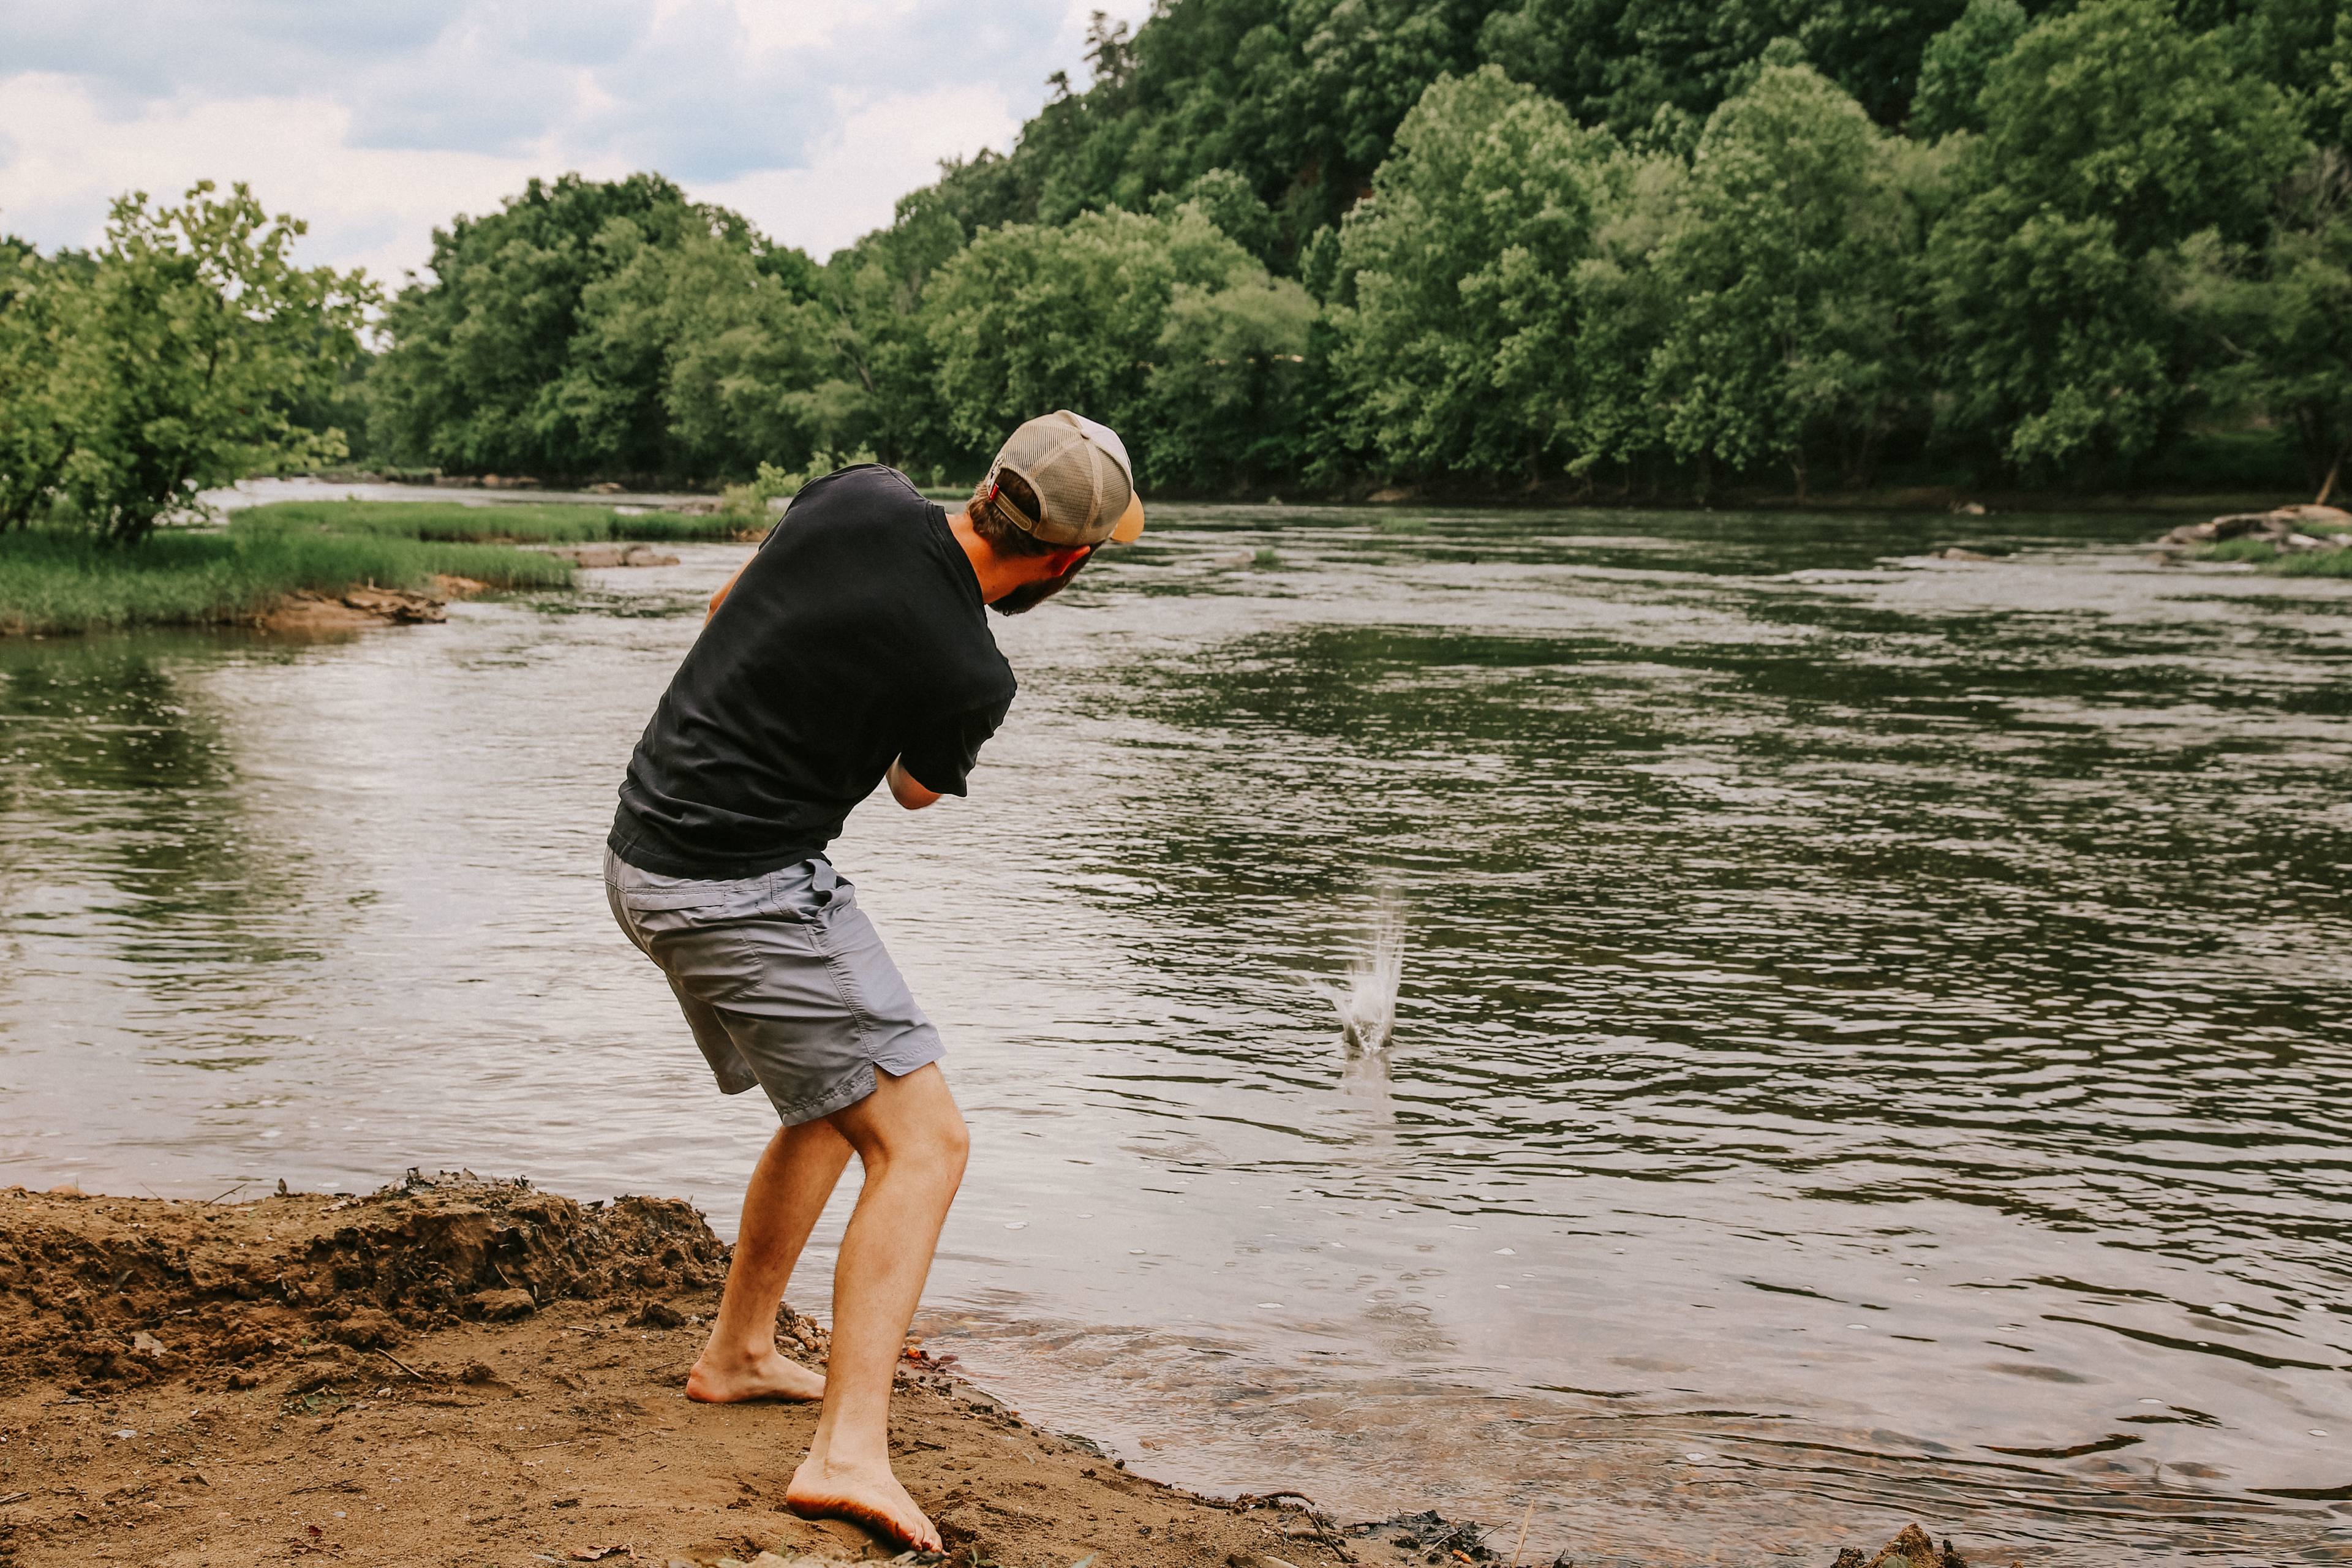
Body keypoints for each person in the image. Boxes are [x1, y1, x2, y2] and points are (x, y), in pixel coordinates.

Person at [601, 412, 1147, 1552]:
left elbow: (726, 608)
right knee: (926, 1141)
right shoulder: (972, 671)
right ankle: (847, 1454)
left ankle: (740, 1353)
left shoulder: (858, 493)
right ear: (1066, 561)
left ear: (990, 482)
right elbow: (912, 790)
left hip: (647, 847)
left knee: (833, 1101)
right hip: (737, 888)